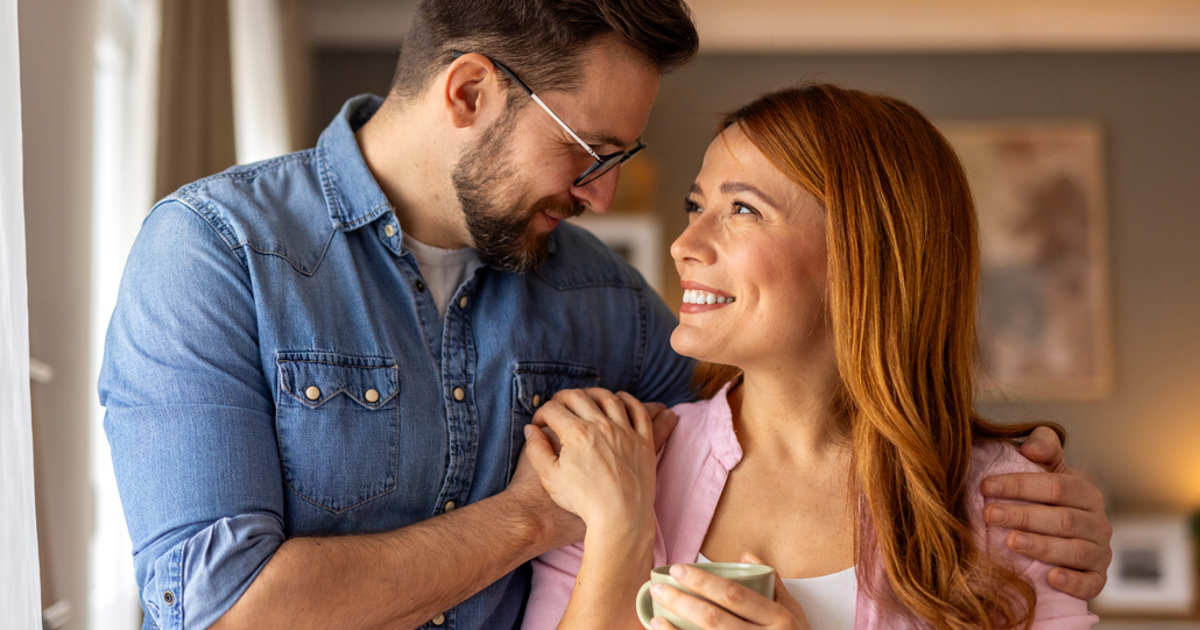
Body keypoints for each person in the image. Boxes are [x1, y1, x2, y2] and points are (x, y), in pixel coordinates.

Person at [98, 1, 1108, 628]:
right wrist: (538, 514)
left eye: (619, 160)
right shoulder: (218, 254)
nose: (602, 196)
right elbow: (223, 611)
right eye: (588, 150)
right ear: (469, 93)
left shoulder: (599, 298)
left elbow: (783, 415)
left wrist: (1028, 499)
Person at [520, 85, 1103, 629]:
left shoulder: (1007, 502)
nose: (684, 244)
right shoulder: (619, 468)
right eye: (696, 206)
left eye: (743, 209)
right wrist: (617, 529)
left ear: (862, 252)